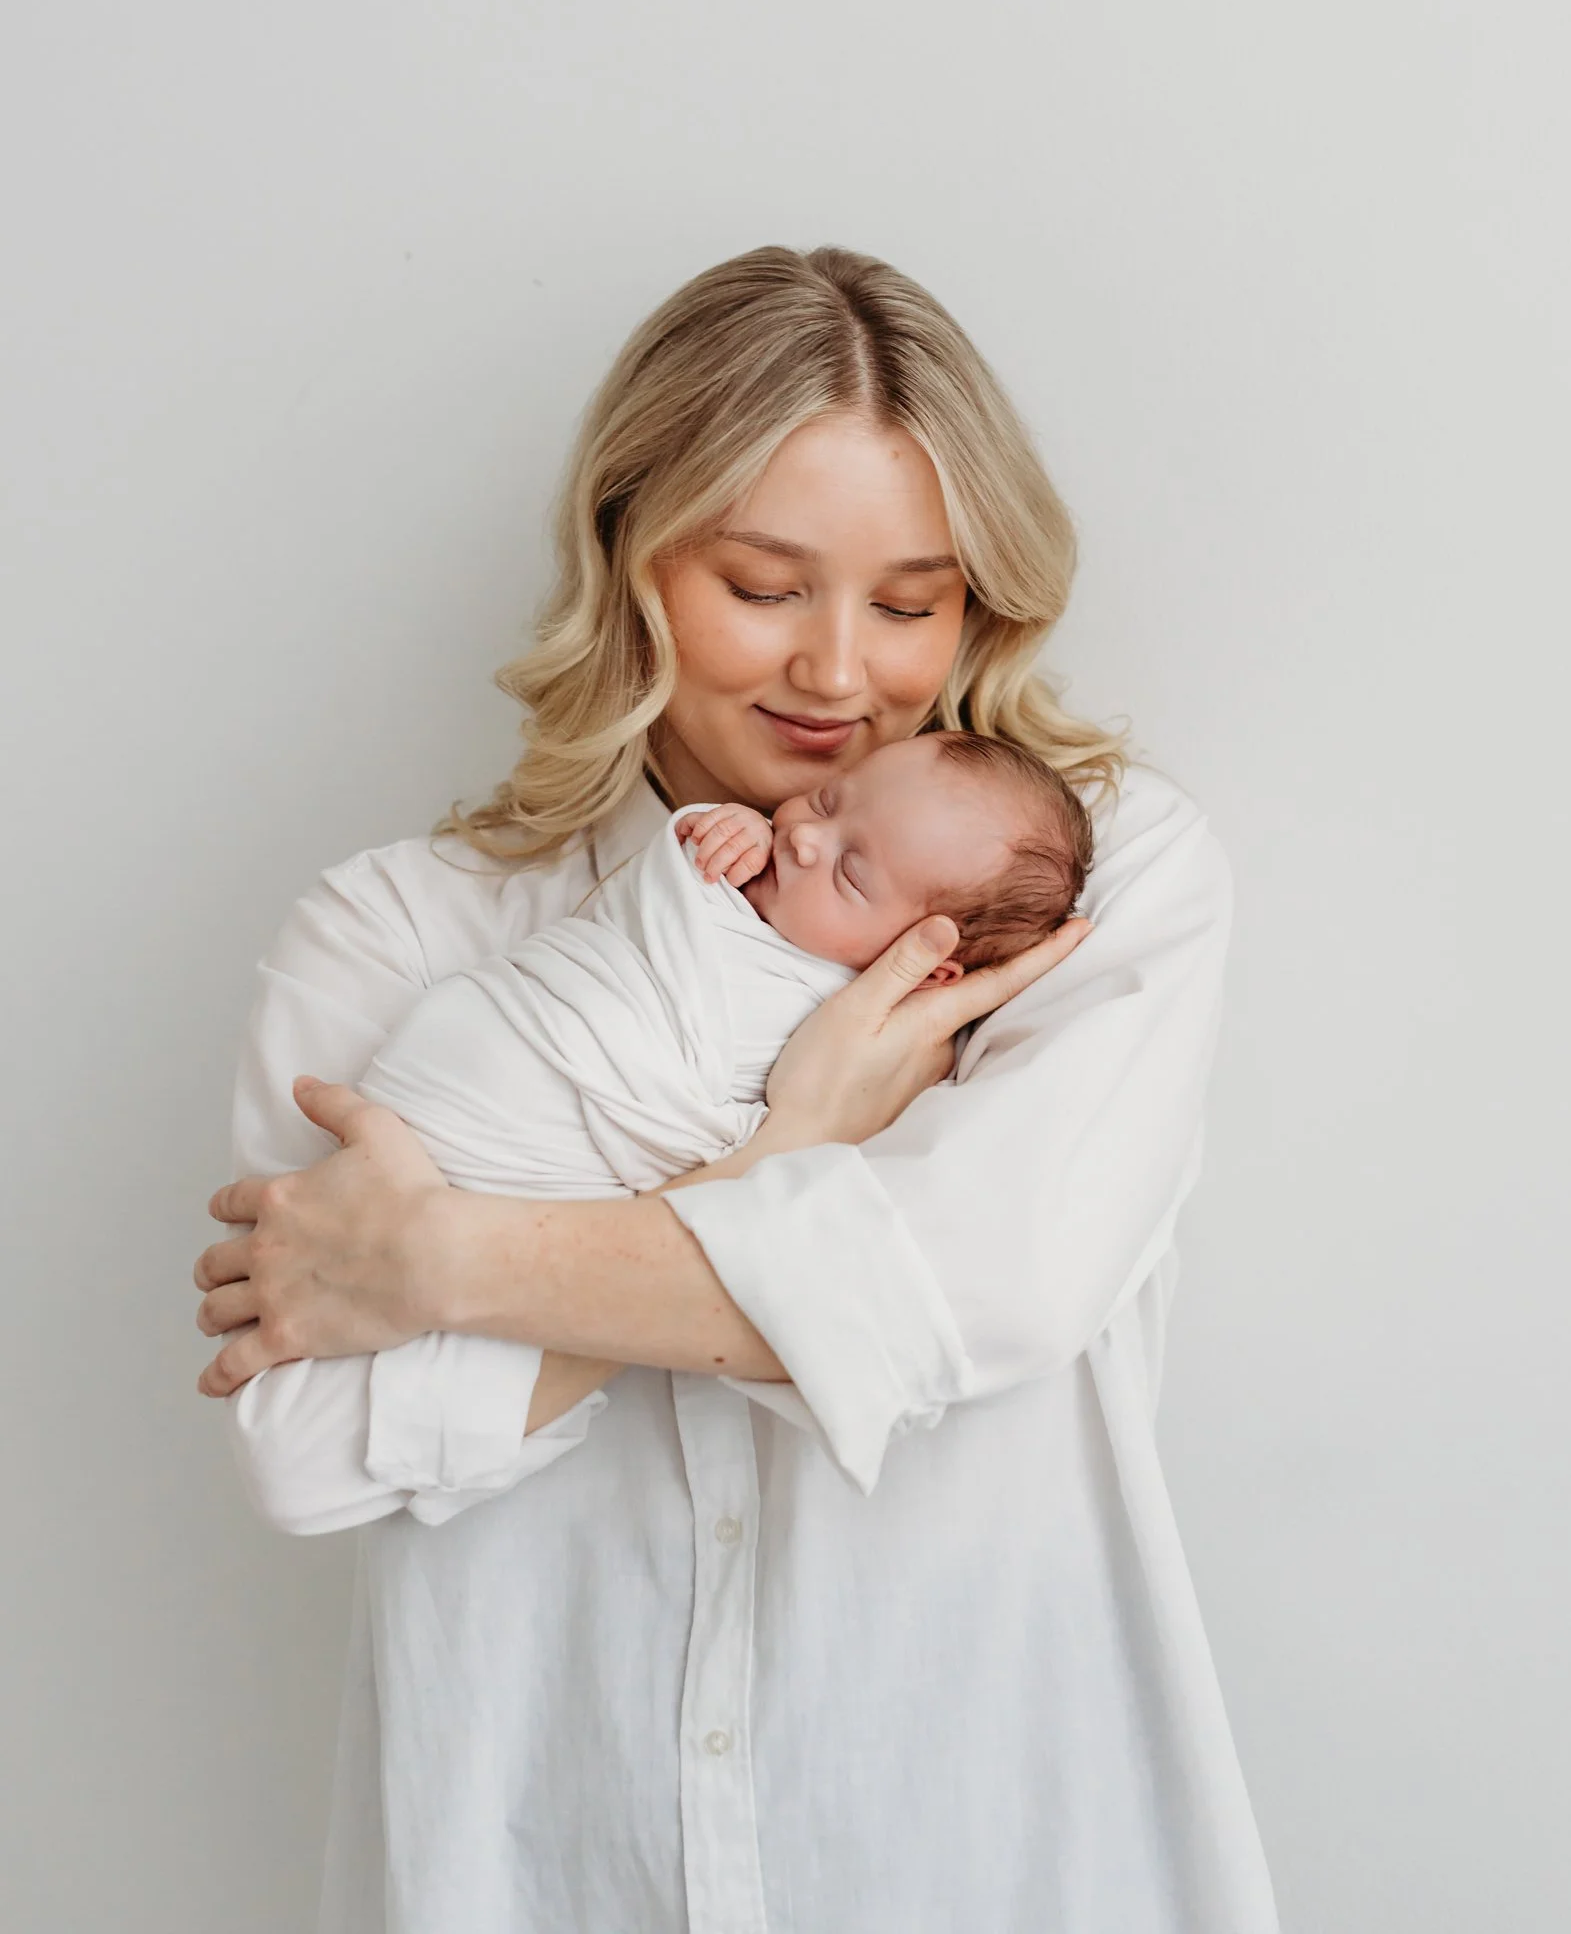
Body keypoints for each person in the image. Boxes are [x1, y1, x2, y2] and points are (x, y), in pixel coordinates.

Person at [195, 244, 1280, 1933]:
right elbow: (310, 1451)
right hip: (536, 1868)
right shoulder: (400, 932)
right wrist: (804, 1157)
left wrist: (442, 1265)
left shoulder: (1082, 889)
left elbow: (973, 1292)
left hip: (991, 1854)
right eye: (767, 587)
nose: (840, 676)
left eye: (910, 604)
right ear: (627, 555)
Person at [229, 731, 1094, 1536]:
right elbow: (660, 907)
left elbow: (961, 1303)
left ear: (928, 961)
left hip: (563, 1142)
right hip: (473, 1070)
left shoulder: (894, 1040)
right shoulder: (393, 908)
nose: (802, 841)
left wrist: (429, 1258)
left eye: (852, 875)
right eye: (827, 803)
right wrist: (709, 844)